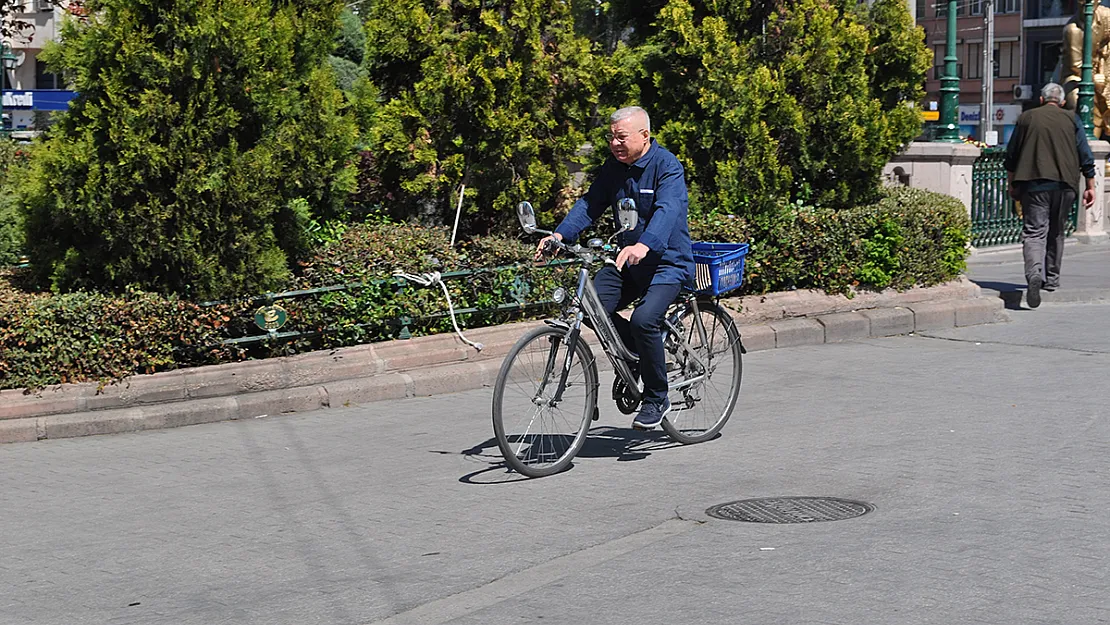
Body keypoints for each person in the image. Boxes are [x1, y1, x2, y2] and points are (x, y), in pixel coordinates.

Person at [535, 106, 695, 430]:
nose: (615, 143)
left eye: (621, 137)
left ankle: (656, 397)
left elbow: (667, 210)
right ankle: (638, 354)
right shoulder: (614, 167)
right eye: (611, 137)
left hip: (667, 263)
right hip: (628, 262)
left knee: (643, 319)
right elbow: (591, 203)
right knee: (590, 307)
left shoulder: (667, 166)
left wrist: (644, 244)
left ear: (644, 136)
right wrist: (558, 235)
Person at [1004, 82, 1096, 309]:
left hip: (1034, 183)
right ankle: (1052, 279)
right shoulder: (1072, 119)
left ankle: (1034, 273)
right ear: (1062, 102)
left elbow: (1012, 154)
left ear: (1042, 100)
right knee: (1056, 231)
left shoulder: (1027, 118)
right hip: (1065, 184)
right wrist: (1090, 185)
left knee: (1035, 233)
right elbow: (1085, 154)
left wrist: (1011, 183)